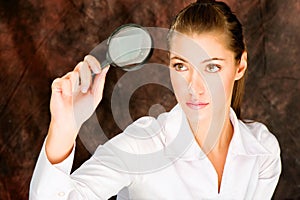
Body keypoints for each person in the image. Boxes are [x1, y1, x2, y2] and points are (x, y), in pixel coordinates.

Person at [30, 0, 281, 199]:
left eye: (212, 67)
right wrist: (64, 126)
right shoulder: (143, 146)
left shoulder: (263, 152)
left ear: (240, 66)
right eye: (181, 66)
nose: (194, 87)